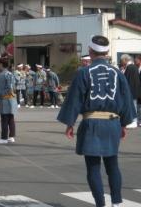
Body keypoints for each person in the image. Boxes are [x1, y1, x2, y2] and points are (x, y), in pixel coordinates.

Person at [57, 35, 135, 207]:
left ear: (90, 51)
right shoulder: (117, 73)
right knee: (112, 164)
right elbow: (126, 99)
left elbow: (75, 99)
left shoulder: (83, 73)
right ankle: (116, 202)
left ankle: (101, 204)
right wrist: (124, 124)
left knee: (93, 167)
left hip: (91, 122)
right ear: (107, 52)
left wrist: (70, 123)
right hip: (113, 122)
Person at [0, 56, 18, 144]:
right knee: (11, 118)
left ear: (1, 64)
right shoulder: (10, 74)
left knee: (4, 118)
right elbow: (13, 87)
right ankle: (11, 136)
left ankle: (4, 138)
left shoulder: (0, 76)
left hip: (4, 99)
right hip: (12, 98)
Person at [119, 54, 140, 129]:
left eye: (122, 61)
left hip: (132, 91)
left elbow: (128, 81)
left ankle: (134, 121)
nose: (121, 62)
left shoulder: (130, 68)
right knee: (133, 106)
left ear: (125, 60)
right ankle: (133, 121)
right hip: (134, 90)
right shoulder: (133, 67)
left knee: (133, 106)